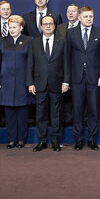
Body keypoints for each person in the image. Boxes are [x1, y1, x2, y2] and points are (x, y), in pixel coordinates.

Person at [27, 15, 70, 152]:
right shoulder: (34, 42)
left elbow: (66, 63)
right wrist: (30, 83)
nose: (48, 26)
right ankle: (42, 141)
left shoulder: (61, 41)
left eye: (50, 24)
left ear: (54, 26)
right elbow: (30, 64)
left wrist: (66, 81)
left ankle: (56, 141)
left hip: (57, 83)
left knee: (56, 114)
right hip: (39, 83)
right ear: (41, 26)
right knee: (40, 114)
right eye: (45, 24)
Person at [66, 6, 100, 150]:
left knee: (93, 110)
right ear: (79, 17)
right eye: (86, 17)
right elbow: (67, 57)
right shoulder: (70, 33)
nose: (89, 19)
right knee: (77, 110)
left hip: (95, 78)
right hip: (76, 78)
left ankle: (91, 140)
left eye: (91, 16)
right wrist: (67, 79)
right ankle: (78, 140)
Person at [0, 15, 33, 149]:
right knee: (9, 111)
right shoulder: (2, 41)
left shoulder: (29, 40)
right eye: (10, 27)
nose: (12, 30)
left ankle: (21, 139)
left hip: (23, 81)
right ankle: (11, 139)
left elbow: (31, 62)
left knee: (22, 111)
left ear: (21, 28)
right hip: (6, 80)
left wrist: (30, 81)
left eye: (14, 27)